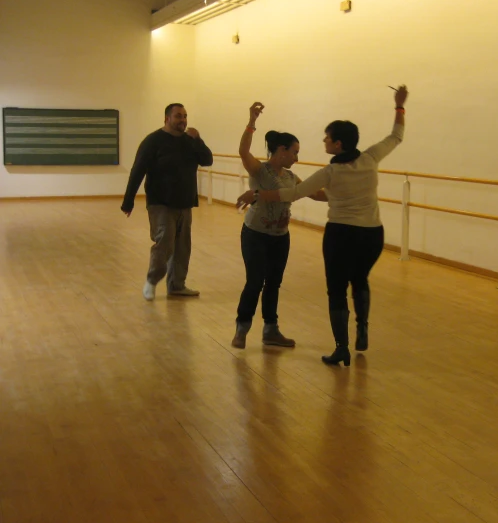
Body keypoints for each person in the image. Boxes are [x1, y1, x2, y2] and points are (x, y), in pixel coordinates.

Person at [236, 86, 408, 367]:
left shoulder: (328, 172)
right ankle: (361, 325)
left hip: (340, 234)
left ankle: (341, 347)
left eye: (327, 137)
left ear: (338, 144)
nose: (324, 140)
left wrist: (256, 195)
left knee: (335, 289)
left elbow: (296, 193)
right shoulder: (371, 157)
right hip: (372, 233)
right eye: (296, 151)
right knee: (359, 279)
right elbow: (396, 136)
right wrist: (399, 106)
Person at [232, 102, 328, 349]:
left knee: (273, 283)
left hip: (280, 237)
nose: (297, 157)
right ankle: (242, 328)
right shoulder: (261, 170)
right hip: (255, 235)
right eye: (295, 152)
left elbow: (315, 193)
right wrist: (252, 121)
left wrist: (346, 192)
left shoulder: (290, 177)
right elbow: (243, 151)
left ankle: (270, 330)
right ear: (282, 150)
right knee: (255, 282)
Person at [121, 103, 213, 300]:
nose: (182, 120)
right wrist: (128, 201)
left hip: (185, 202)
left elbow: (207, 160)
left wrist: (198, 139)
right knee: (165, 243)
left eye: (185, 116)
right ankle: (152, 281)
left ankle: (177, 285)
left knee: (182, 247)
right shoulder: (153, 141)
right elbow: (138, 171)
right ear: (167, 119)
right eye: (178, 116)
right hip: (160, 202)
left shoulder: (190, 141)